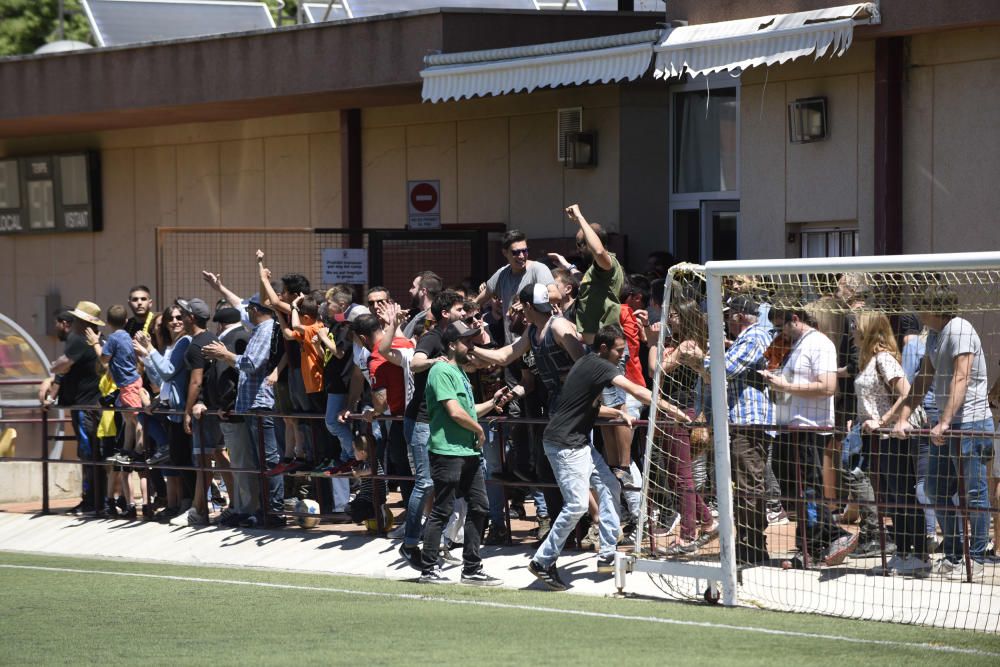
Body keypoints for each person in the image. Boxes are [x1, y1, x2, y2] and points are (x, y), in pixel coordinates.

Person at [527, 325, 690, 591]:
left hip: (579, 443)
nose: (621, 356)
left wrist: (615, 414)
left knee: (610, 484)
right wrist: (673, 410)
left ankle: (607, 554)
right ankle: (542, 561)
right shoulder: (600, 366)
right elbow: (637, 391)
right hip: (565, 445)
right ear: (603, 348)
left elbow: (584, 406)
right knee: (577, 505)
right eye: (618, 351)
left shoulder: (587, 363)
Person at [904, 285, 994, 579]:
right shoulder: (933, 336)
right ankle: (954, 554)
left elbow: (962, 376)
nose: (917, 311)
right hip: (946, 426)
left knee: (974, 492)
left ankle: (977, 558)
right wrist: (898, 416)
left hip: (971, 423)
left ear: (932, 307)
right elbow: (923, 380)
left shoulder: (960, 329)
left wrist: (943, 421)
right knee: (935, 488)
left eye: (920, 305)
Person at [760, 305, 858, 567]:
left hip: (808, 428)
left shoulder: (819, 344)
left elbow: (828, 387)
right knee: (792, 490)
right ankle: (808, 544)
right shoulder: (794, 344)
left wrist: (787, 386)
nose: (780, 332)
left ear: (795, 319)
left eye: (782, 326)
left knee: (808, 489)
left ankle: (824, 541)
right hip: (788, 427)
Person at [413, 321, 506, 586]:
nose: (473, 346)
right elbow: (454, 412)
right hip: (447, 452)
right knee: (442, 510)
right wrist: (478, 430)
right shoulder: (441, 370)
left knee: (480, 507)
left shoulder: (460, 372)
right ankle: (429, 569)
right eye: (468, 342)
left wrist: (493, 402)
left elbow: (467, 410)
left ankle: (472, 568)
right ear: (452, 345)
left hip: (467, 453)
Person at [397, 290, 466, 568]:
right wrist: (434, 361)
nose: (464, 314)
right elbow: (415, 363)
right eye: (460, 310)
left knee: (443, 485)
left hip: (438, 421)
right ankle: (410, 543)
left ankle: (436, 543)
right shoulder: (432, 337)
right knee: (425, 483)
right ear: (446, 313)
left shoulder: (451, 338)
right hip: (421, 421)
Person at [203, 293, 283, 528]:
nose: (245, 312)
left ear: (257, 310)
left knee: (269, 461)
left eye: (249, 309)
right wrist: (216, 286)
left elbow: (251, 364)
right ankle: (263, 510)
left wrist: (225, 355)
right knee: (260, 462)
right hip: (250, 405)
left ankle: (273, 512)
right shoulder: (259, 328)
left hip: (260, 405)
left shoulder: (267, 330)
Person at [41, 302, 104, 514]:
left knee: (89, 455)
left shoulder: (79, 340)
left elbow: (62, 365)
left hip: (85, 407)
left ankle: (93, 502)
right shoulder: (91, 340)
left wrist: (52, 367)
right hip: (89, 406)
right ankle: (93, 500)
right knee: (92, 454)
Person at [134, 304, 192, 522]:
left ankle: (189, 506)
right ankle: (178, 505)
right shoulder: (170, 346)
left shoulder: (184, 342)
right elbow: (161, 382)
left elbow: (168, 373)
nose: (175, 321)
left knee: (185, 461)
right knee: (176, 460)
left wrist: (148, 351)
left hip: (181, 409)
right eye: (171, 319)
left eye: (179, 317)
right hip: (169, 409)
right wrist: (147, 355)